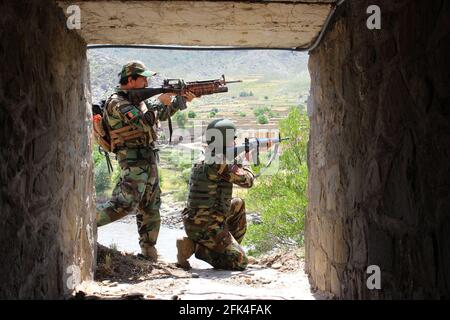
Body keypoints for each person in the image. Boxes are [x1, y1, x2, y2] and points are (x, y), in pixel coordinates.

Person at [96, 60, 196, 261]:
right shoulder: (118, 103)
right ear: (131, 80)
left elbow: (159, 115)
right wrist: (161, 102)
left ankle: (148, 251)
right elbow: (143, 123)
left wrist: (181, 100)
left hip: (148, 158)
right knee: (125, 203)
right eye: (143, 78)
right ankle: (88, 221)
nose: (147, 81)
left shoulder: (137, 101)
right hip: (132, 160)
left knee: (151, 205)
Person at [176, 119, 255, 270]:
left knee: (238, 204)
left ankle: (229, 249)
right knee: (240, 263)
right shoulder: (219, 162)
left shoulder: (207, 155)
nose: (234, 142)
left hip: (197, 220)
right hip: (207, 226)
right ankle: (195, 248)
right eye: (233, 139)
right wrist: (246, 162)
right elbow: (248, 181)